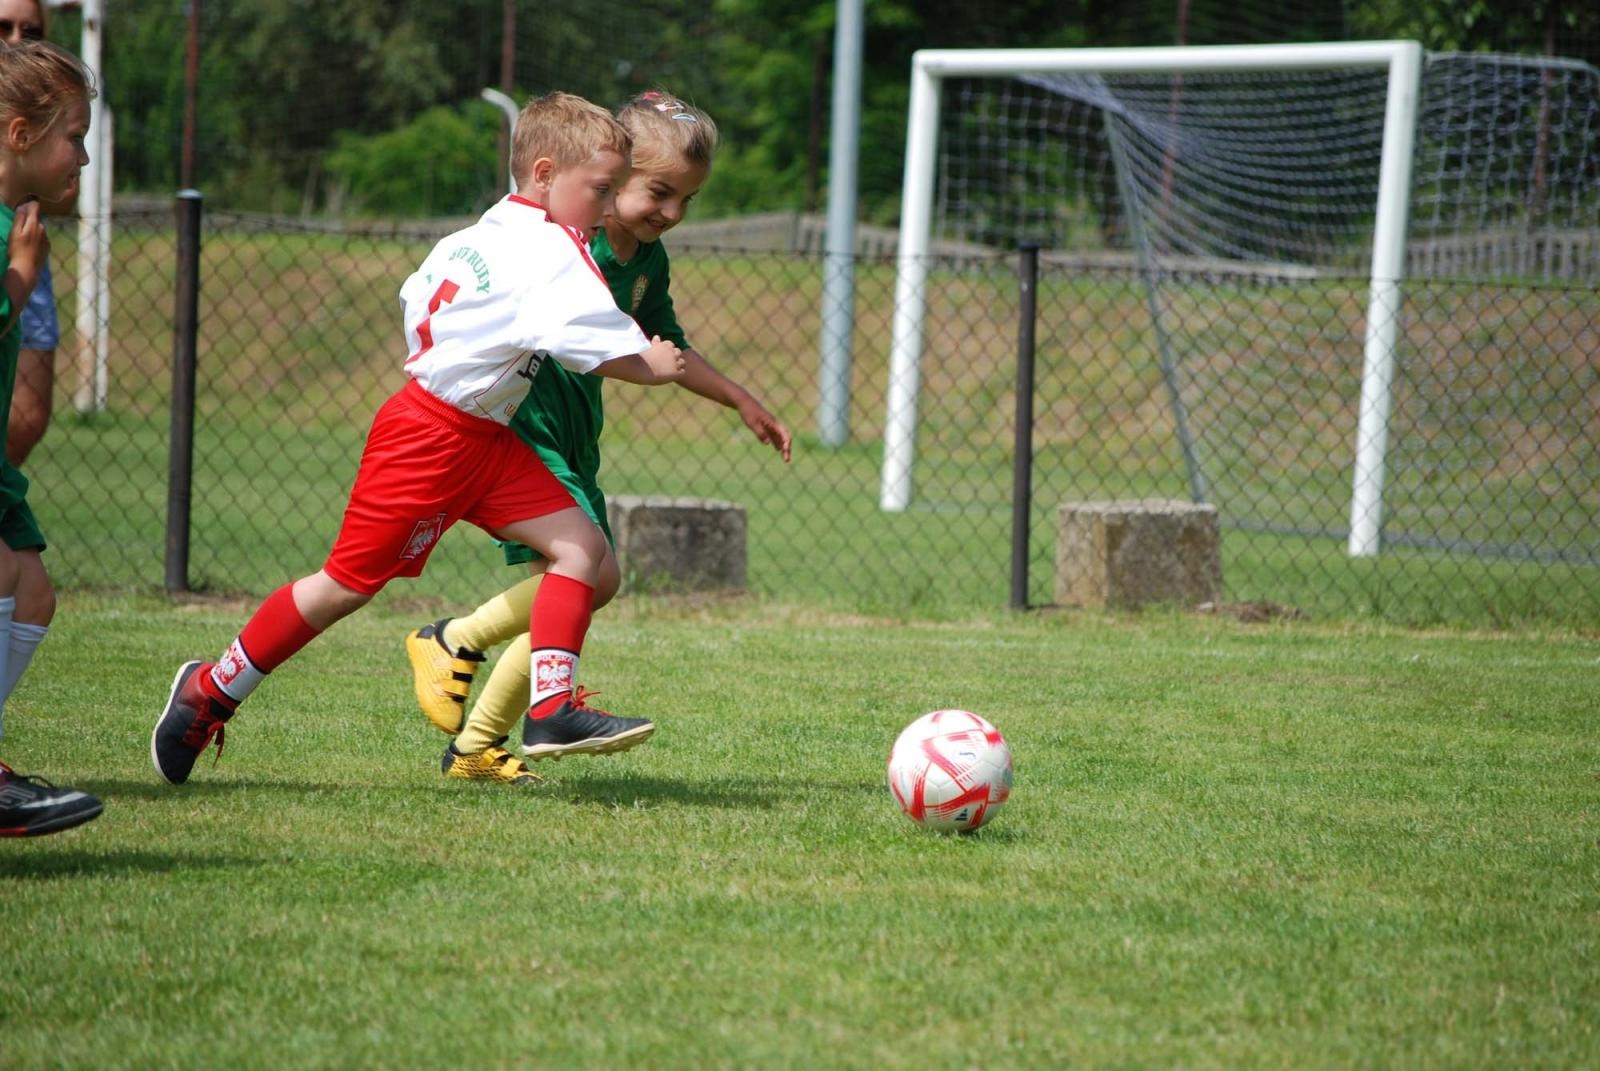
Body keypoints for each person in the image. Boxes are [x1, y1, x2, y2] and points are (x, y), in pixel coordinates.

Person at [150, 91, 686, 786]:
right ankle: (212, 689)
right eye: (601, 189)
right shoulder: (556, 249)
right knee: (342, 586)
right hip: (431, 440)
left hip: (482, 436)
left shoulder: (478, 234)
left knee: (585, 554)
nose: (607, 204)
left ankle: (550, 705)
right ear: (547, 174)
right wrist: (656, 364)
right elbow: (601, 346)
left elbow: (418, 297)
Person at [405, 90, 791, 784]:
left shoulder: (645, 263)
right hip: (527, 432)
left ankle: (475, 747)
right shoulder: (560, 246)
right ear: (608, 176)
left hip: (580, 438)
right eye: (659, 193)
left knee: (572, 594)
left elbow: (663, 343)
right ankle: (452, 640)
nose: (671, 214)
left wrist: (740, 398)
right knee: (587, 578)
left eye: (687, 201)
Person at [0, 39, 100, 835]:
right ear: (18, 134)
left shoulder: (16, 221)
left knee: (32, 589)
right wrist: (21, 278)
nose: (86, 155)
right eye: (73, 135)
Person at [1, 0, 59, 467]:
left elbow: (67, 192)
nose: (16, 40)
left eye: (30, 30)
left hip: (27, 248)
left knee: (27, 416)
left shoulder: (49, 99)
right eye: (3, 27)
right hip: (18, 259)